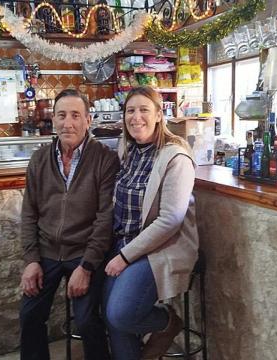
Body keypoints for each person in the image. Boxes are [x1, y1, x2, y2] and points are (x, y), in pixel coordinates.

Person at [19, 89, 120, 360]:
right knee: (29, 316)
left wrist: (87, 267)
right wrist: (31, 260)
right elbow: (29, 212)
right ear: (53, 119)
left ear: (89, 120)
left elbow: (105, 217)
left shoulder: (105, 159)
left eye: (76, 115)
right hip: (46, 252)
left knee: (87, 320)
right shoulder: (39, 159)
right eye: (62, 115)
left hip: (84, 253)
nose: (68, 123)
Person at [103, 86, 199, 360]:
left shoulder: (176, 157)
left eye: (144, 110)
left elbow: (170, 219)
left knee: (120, 313)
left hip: (160, 248)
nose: (136, 117)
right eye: (130, 111)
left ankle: (168, 323)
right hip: (124, 243)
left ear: (159, 115)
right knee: (110, 317)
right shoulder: (129, 150)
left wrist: (124, 256)